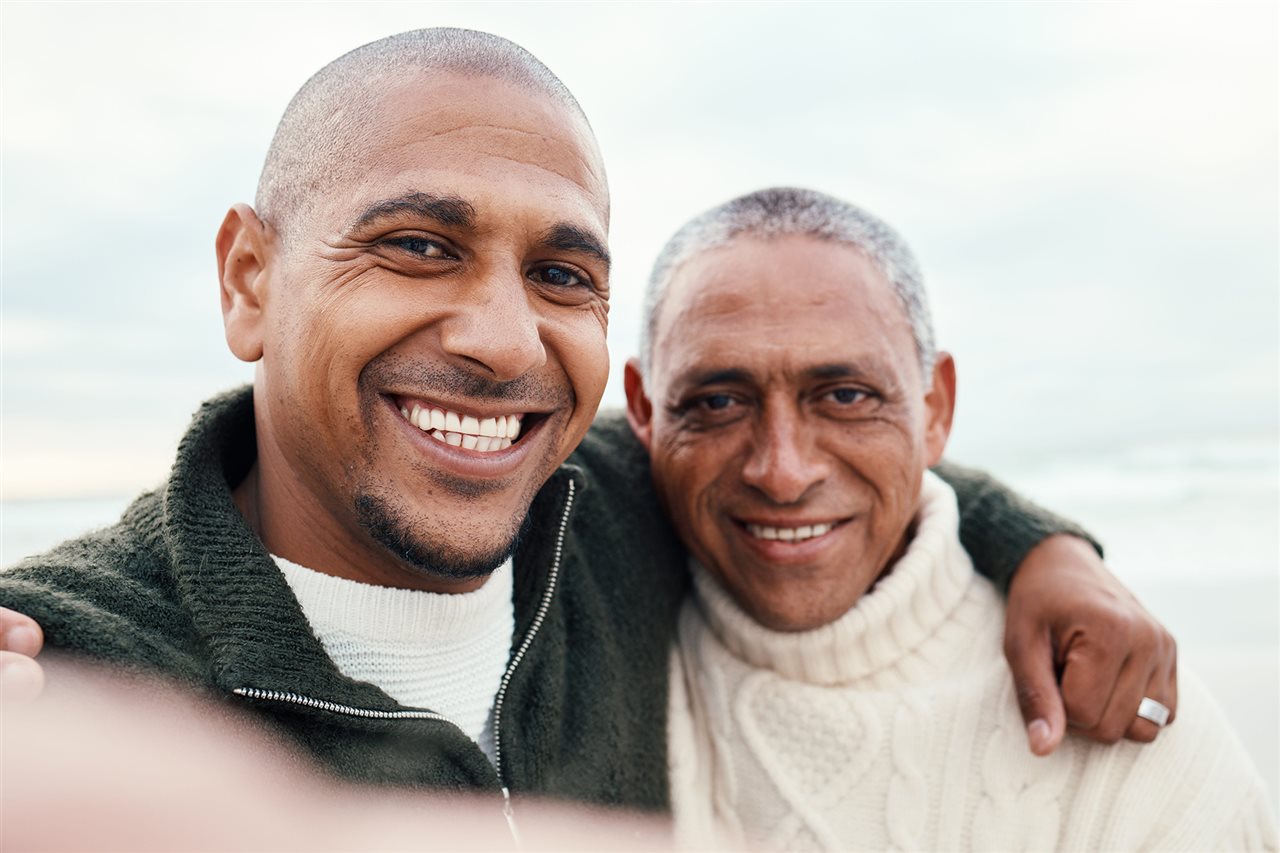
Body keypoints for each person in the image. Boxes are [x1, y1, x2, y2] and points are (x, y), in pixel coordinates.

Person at [1, 28, 1173, 827]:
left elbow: (815, 461)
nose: (506, 342)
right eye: (418, 245)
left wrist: (1046, 551)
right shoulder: (70, 668)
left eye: (562, 272)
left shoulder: (600, 506)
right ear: (249, 280)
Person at [622, 187, 1276, 850]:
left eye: (846, 396)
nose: (784, 471)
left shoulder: (1120, 713)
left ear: (936, 408)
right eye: (716, 402)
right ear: (643, 411)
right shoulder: (583, 620)